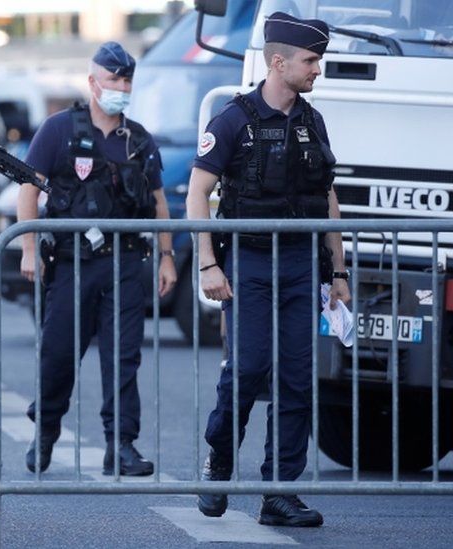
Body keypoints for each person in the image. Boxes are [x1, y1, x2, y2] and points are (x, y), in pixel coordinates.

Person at [186, 12, 351, 527]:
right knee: (248, 369)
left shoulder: (312, 121)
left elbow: (328, 200)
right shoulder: (233, 120)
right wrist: (209, 263)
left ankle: (279, 491)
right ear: (278, 62)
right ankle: (219, 462)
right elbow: (197, 194)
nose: (317, 69)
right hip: (250, 261)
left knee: (298, 379)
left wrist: (339, 272)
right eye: (310, 60)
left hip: (302, 264)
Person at [18, 42, 176, 477]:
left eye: (127, 80)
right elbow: (29, 191)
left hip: (124, 263)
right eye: (113, 79)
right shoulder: (59, 129)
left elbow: (159, 202)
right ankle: (46, 429)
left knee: (124, 357)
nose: (121, 87)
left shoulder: (138, 139)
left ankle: (121, 445)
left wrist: (166, 257)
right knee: (58, 356)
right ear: (93, 82)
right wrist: (29, 248)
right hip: (71, 264)